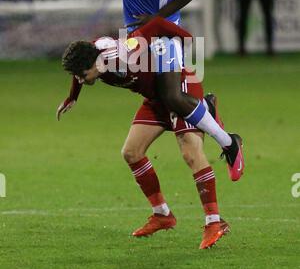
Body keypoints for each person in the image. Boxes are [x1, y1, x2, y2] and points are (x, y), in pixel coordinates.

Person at [57, 17, 240, 249]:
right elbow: (79, 73)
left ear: (94, 62)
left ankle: (215, 222)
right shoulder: (92, 56)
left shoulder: (123, 54)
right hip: (156, 99)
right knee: (131, 152)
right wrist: (73, 96)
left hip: (178, 86)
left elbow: (155, 26)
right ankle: (162, 215)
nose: (81, 79)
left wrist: (187, 39)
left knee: (190, 153)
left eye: (82, 75)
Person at [113, 0, 244, 179]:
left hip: (163, 30)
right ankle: (204, 106)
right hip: (136, 30)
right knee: (149, 89)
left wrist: (156, 18)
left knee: (172, 97)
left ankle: (229, 141)